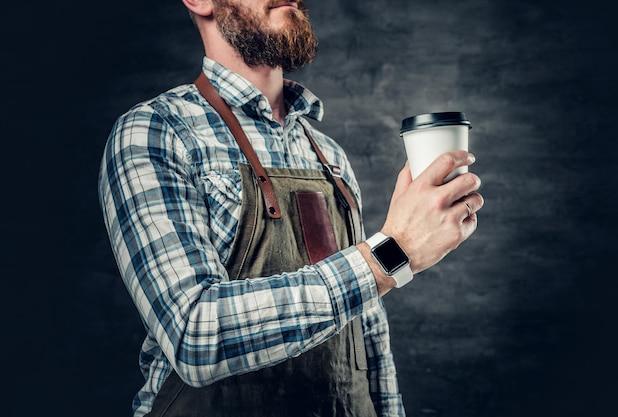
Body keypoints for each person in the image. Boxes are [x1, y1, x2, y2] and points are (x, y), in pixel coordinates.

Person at [98, 1, 484, 416]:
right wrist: (390, 254)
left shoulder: (329, 156)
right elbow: (196, 335)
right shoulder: (156, 133)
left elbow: (367, 330)